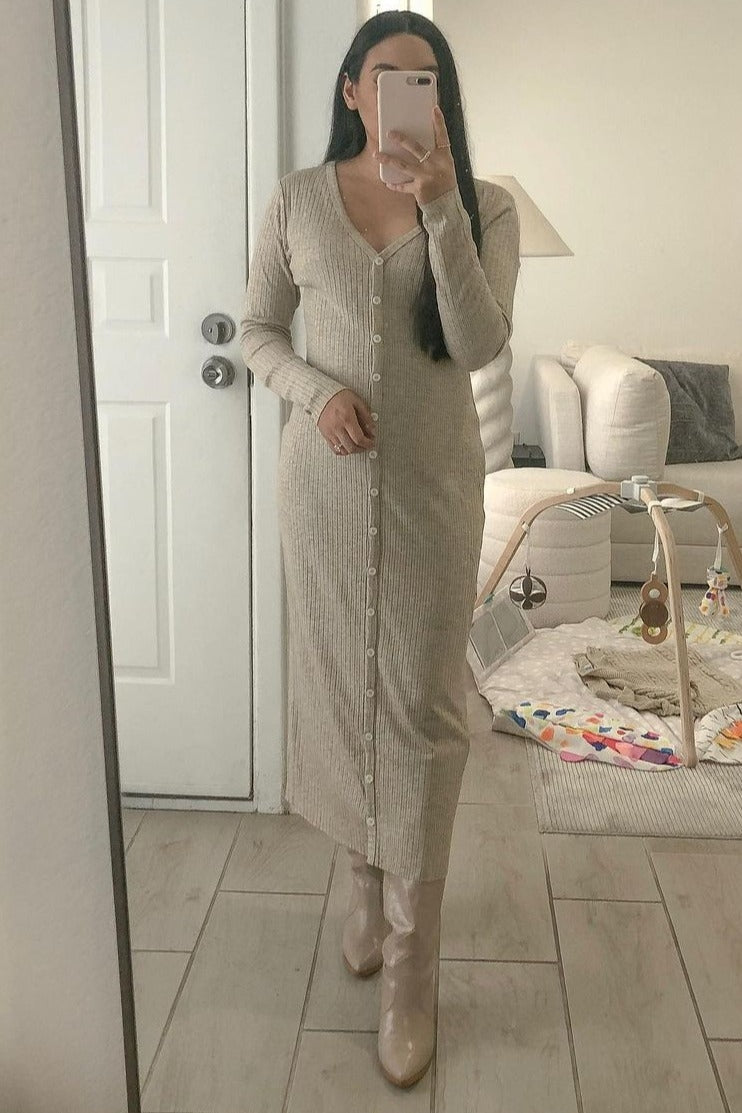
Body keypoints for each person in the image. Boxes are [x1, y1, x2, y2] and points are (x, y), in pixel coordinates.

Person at [239, 10, 520, 1089]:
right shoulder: (296, 201)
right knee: (339, 689)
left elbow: (481, 341)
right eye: (389, 76)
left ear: (441, 99)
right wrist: (314, 392)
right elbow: (257, 331)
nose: (409, 93)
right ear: (353, 89)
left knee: (425, 713)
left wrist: (439, 202)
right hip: (323, 490)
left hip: (432, 496)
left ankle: (412, 969)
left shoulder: (485, 205)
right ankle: (362, 880)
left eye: (427, 80)